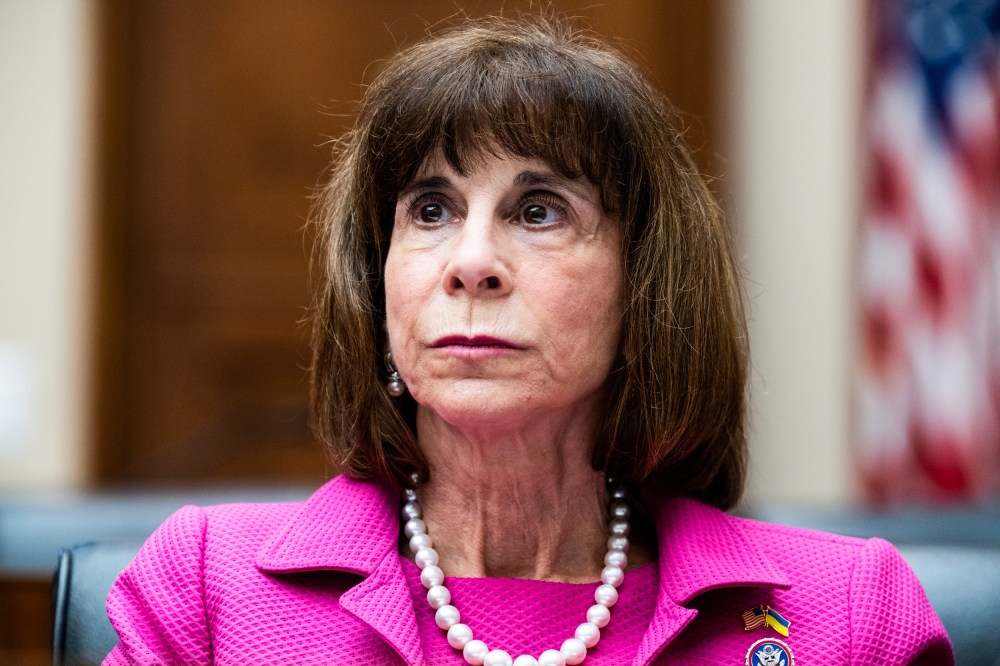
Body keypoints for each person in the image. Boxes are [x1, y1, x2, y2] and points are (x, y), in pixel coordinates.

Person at [103, 16, 952, 666]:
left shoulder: (847, 614)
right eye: (429, 211)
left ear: (647, 286)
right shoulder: (212, 590)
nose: (471, 263)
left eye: (539, 211)